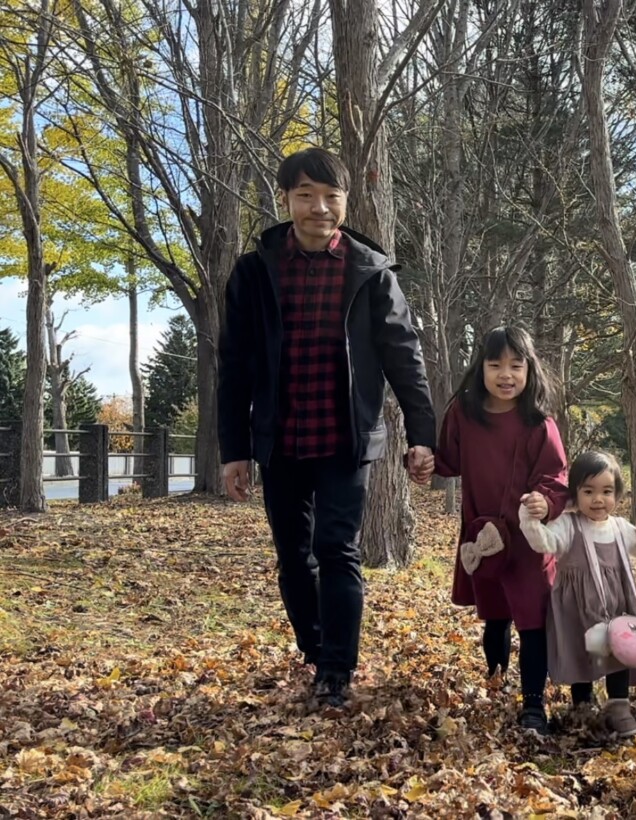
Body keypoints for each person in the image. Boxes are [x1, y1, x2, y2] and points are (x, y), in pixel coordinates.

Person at [218, 147, 437, 709]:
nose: (319, 207)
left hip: (346, 439)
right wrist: (234, 449)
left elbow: (404, 357)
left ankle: (337, 670)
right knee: (294, 556)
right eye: (305, 195)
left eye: (330, 196)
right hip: (281, 438)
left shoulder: (371, 273)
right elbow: (234, 365)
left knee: (337, 548)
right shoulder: (255, 272)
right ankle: (315, 652)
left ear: (346, 201)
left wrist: (423, 435)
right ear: (286, 200)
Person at [434, 326, 569, 736]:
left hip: (527, 540)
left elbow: (556, 476)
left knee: (532, 621)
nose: (505, 375)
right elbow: (447, 460)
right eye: (495, 365)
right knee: (495, 617)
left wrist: (545, 501)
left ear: (530, 370)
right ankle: (496, 683)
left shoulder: (539, 423)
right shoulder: (464, 414)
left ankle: (534, 705)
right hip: (485, 536)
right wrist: (422, 460)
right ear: (481, 368)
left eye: (515, 365)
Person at [518, 451, 636, 739]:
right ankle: (582, 703)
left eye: (606, 491)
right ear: (575, 493)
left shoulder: (620, 527)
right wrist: (529, 520)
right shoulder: (568, 524)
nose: (598, 499)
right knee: (582, 652)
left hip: (616, 605)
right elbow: (544, 542)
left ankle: (619, 706)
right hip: (577, 608)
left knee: (619, 649)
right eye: (588, 491)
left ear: (617, 493)